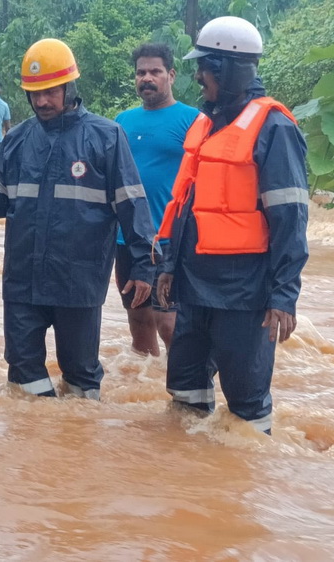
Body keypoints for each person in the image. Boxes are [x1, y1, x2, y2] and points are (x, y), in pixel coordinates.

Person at [0, 38, 156, 399]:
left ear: (70, 87)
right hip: (23, 282)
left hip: (78, 281)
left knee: (82, 380)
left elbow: (132, 206)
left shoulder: (106, 137)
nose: (42, 101)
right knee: (24, 379)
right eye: (34, 93)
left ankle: (76, 450)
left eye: (51, 91)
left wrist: (144, 268)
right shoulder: (18, 140)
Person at [156, 16, 309, 434]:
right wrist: (169, 265)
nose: (197, 75)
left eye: (203, 66)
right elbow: (187, 204)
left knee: (245, 406)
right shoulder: (206, 124)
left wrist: (284, 296)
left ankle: (240, 488)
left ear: (224, 68)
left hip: (245, 294)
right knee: (185, 391)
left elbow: (290, 217)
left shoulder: (274, 128)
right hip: (194, 285)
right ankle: (192, 485)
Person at [114, 43, 199, 357]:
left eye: (155, 72)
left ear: (171, 75)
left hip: (168, 237)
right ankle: (146, 393)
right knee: (137, 317)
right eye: (140, 72)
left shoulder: (193, 120)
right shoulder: (122, 120)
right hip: (127, 238)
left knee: (169, 322)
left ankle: (185, 388)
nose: (146, 78)